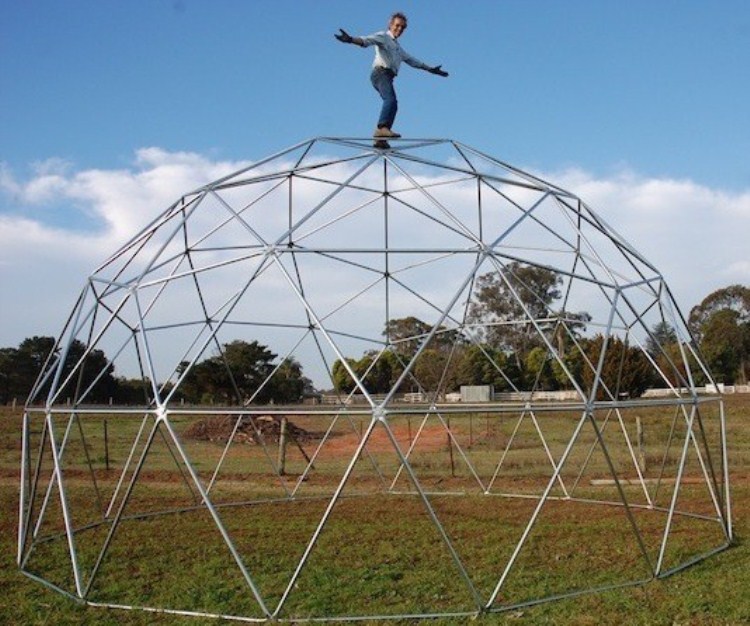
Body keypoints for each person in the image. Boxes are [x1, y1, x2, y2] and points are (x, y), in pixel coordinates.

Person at [335, 12, 449, 139]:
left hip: (388, 76)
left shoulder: (398, 48)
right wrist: (351, 39)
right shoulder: (383, 36)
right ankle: (382, 129)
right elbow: (367, 40)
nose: (399, 29)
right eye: (397, 25)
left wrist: (431, 69)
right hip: (380, 73)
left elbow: (413, 61)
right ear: (390, 24)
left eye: (403, 27)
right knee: (390, 100)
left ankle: (380, 140)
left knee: (393, 104)